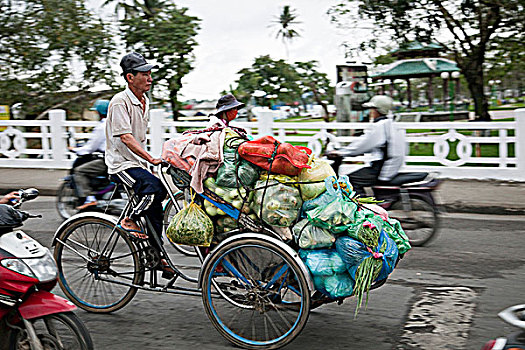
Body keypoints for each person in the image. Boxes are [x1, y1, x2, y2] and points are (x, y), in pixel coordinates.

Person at [105, 52, 167, 253]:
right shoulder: (119, 102)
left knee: (157, 203)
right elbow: (126, 137)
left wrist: (149, 163)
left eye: (150, 73)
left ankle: (156, 253)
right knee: (154, 187)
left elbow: (140, 137)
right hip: (120, 164)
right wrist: (151, 158)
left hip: (136, 164)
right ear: (130, 77)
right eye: (144, 74)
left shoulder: (144, 100)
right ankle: (129, 218)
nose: (150, 78)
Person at [326, 95, 406, 196]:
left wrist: (341, 152)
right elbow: (369, 145)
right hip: (390, 165)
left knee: (350, 180)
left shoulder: (380, 126)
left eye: (372, 109)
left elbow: (362, 145)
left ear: (378, 110)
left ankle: (362, 208)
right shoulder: (391, 124)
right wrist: (344, 151)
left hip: (382, 168)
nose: (370, 112)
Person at [70, 100, 110, 210]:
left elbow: (90, 148)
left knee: (79, 171)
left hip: (107, 160)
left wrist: (76, 150)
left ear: (100, 112)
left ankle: (90, 199)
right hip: (116, 158)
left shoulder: (102, 127)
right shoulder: (113, 123)